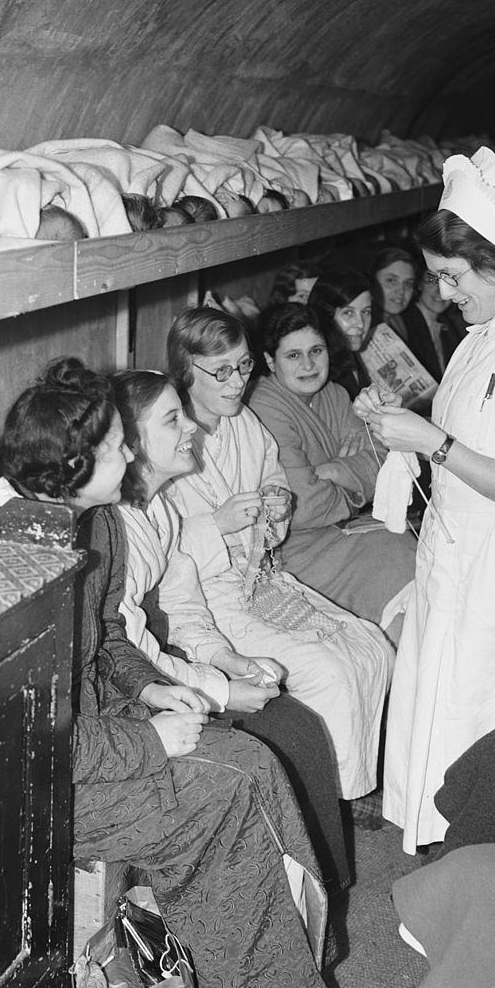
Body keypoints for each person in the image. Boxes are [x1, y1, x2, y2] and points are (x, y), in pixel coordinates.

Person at [1, 358, 335, 988]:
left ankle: (298, 969)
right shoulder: (25, 570)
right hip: (48, 792)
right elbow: (44, 744)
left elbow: (109, 635)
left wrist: (151, 688)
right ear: (76, 464)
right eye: (116, 443)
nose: (129, 450)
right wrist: (154, 741)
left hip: (101, 730)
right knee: (228, 793)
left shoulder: (93, 526)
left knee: (253, 761)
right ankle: (270, 987)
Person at [354, 146, 495, 853]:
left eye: (452, 277)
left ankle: (484, 886)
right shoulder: (486, 332)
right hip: (458, 560)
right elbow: (453, 434)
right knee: (443, 719)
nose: (445, 293)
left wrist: (434, 444)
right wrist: (394, 421)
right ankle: (446, 870)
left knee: (487, 734)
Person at [110, 368, 349, 892]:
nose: (191, 428)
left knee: (300, 727)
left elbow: (182, 604)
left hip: (161, 660)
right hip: (124, 687)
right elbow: (124, 649)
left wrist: (227, 661)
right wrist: (218, 693)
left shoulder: (162, 509)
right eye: (174, 420)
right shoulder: (117, 528)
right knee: (276, 744)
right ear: (132, 443)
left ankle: (319, 897)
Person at [165, 306, 392, 806]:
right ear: (186, 371)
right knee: (327, 671)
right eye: (221, 371)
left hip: (262, 575)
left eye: (244, 367)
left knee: (371, 645)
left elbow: (271, 476)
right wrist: (216, 525)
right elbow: (156, 546)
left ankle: (346, 789)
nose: (237, 383)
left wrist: (276, 504)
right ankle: (326, 803)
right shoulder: (164, 435)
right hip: (209, 595)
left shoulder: (244, 422)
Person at [249, 301, 415, 637]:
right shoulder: (265, 408)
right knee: (399, 574)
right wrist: (356, 483)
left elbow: (383, 460)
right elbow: (303, 507)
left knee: (418, 559)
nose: (309, 365)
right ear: (269, 361)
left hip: (345, 530)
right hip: (296, 551)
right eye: (293, 355)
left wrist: (333, 470)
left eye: (316, 350)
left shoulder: (336, 395)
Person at [307, 268, 373, 398]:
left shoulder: (348, 355)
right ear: (325, 315)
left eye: (366, 312)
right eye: (348, 313)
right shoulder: (317, 370)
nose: (360, 324)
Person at [402, 266, 466, 381]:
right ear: (419, 284)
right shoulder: (403, 323)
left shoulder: (449, 328)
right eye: (432, 280)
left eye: (448, 281)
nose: (440, 290)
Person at [369, 246, 418, 341]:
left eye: (408, 283)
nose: (401, 291)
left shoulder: (400, 322)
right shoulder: (363, 327)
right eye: (391, 280)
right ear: (372, 281)